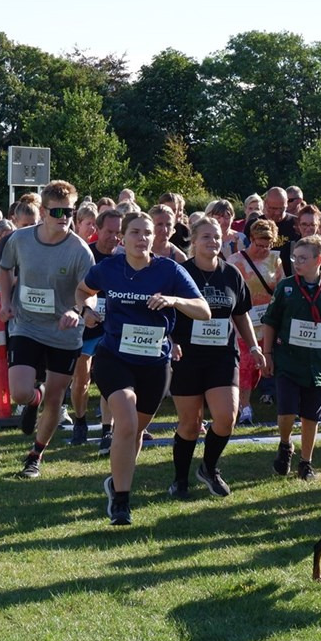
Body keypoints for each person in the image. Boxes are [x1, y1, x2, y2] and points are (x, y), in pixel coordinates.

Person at [76, 211, 209, 526]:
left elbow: (203, 310)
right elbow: (83, 290)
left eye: (147, 233)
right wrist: (86, 310)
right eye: (135, 232)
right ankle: (121, 501)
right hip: (114, 357)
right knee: (125, 417)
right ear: (123, 237)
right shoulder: (108, 268)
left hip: (154, 363)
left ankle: (117, 480)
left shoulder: (169, 271)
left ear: (155, 237)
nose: (142, 238)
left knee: (135, 430)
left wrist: (174, 300)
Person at [0, 180, 95, 478]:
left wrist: (77, 311)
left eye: (69, 211)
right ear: (42, 211)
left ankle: (35, 456)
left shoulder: (79, 250)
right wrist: (5, 301)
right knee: (20, 393)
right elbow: (5, 268)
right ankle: (33, 399)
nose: (64, 217)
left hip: (64, 333)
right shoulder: (20, 240)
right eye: (57, 212)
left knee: (55, 398)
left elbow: (90, 291)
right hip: (26, 326)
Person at [168, 218, 261, 499]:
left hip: (222, 355)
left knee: (225, 417)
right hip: (187, 356)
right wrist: (170, 342)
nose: (213, 242)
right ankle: (180, 479)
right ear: (193, 241)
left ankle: (209, 468)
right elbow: (166, 312)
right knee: (190, 424)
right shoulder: (179, 273)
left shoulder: (231, 274)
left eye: (217, 237)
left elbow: (241, 312)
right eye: (206, 237)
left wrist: (254, 347)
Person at [261, 234, 321, 481]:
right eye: (295, 257)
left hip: (317, 365)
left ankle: (306, 462)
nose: (297, 262)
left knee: (311, 416)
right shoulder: (286, 287)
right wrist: (267, 353)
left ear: (319, 259)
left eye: (303, 258)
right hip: (288, 361)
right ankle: (285, 444)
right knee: (286, 411)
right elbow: (271, 321)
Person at [226, 217, 284, 424]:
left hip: (266, 323)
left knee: (259, 367)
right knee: (245, 364)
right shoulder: (235, 261)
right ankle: (245, 407)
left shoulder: (275, 260)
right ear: (250, 239)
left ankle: (246, 401)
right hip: (242, 322)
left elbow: (280, 289)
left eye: (267, 245)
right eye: (259, 245)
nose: (263, 250)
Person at [73, 207, 122, 452]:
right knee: (82, 377)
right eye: (109, 231)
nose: (114, 237)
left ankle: (107, 430)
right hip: (87, 323)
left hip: (113, 327)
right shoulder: (86, 255)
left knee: (109, 377)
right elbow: (76, 289)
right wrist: (85, 311)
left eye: (118, 232)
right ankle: (80, 422)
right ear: (97, 229)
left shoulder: (124, 257)